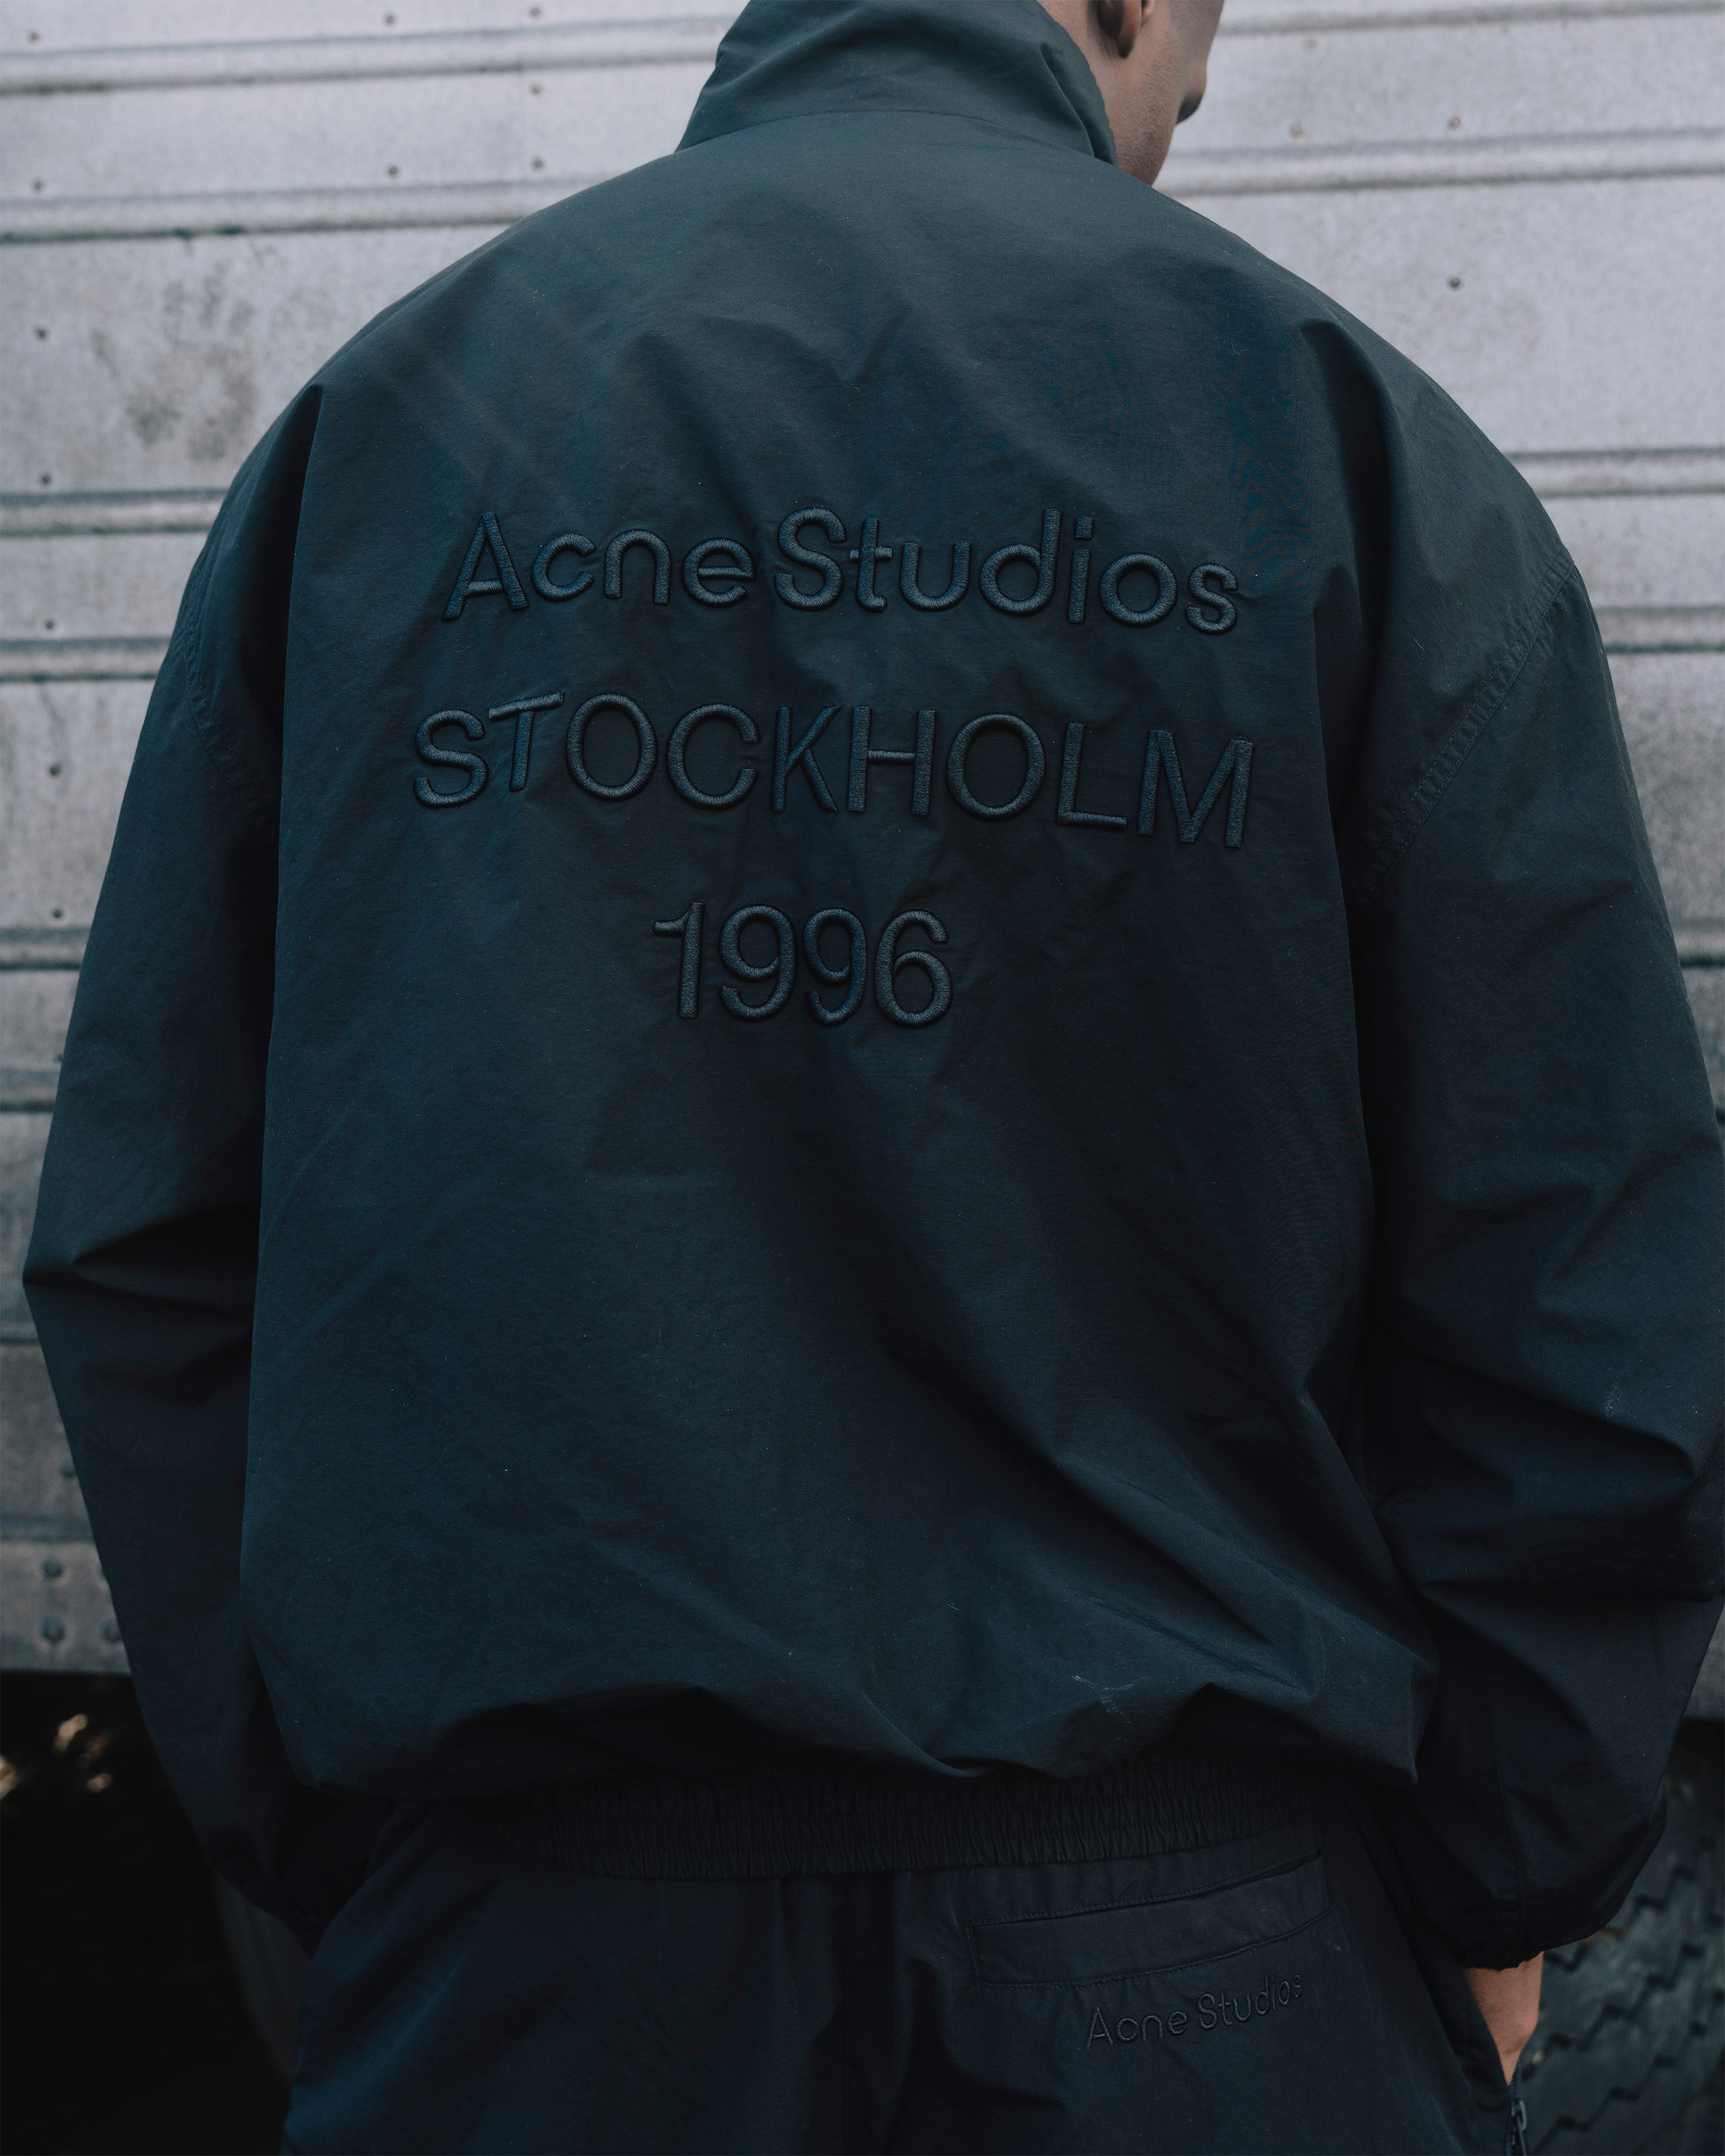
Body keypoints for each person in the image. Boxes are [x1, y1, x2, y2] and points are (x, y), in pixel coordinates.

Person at [24, 0, 1722, 2149]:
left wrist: (366, 1858)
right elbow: (1574, 1275)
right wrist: (1504, 1864)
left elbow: (158, 1239)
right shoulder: (1352, 443)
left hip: (533, 1972)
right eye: (1183, 89)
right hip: (1212, 1978)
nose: (1164, 141)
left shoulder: (385, 430)